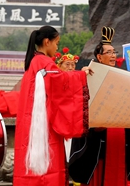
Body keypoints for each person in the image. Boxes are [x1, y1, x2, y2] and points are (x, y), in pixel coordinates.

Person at [69, 27, 130, 186]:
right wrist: (93, 128)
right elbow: (80, 108)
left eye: (114, 52)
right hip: (97, 143)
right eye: (109, 52)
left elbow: (129, 110)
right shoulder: (89, 77)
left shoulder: (122, 79)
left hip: (120, 137)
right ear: (99, 57)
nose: (113, 55)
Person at [13, 26, 92, 186]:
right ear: (46, 42)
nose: (57, 48)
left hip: (31, 125)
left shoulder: (34, 61)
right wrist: (81, 74)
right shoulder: (44, 62)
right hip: (43, 127)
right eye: (56, 43)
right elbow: (61, 84)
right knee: (48, 172)